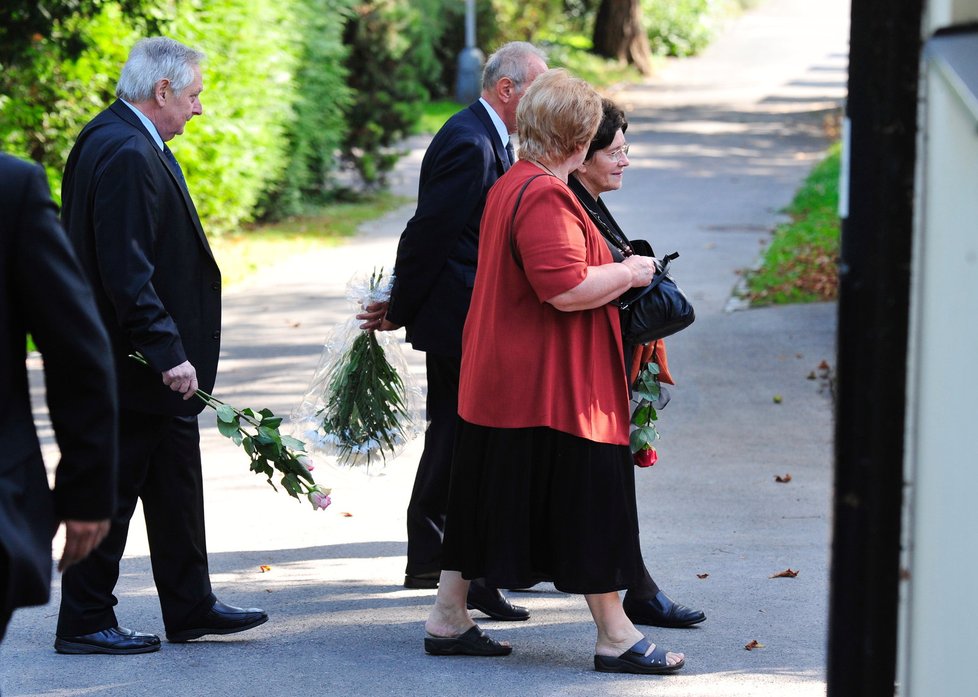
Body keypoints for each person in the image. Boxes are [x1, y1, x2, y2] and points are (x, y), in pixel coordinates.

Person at [422, 69, 686, 675]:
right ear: (578, 135)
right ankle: (615, 636)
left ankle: (448, 615)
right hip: (549, 387)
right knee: (588, 503)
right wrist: (631, 273)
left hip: (506, 383)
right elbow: (564, 288)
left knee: (484, 498)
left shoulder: (515, 182)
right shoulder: (544, 194)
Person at [55, 37, 266, 655]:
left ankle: (190, 604)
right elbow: (127, 271)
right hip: (132, 363)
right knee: (115, 491)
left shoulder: (124, 135)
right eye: (194, 96)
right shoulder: (124, 150)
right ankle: (86, 620)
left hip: (142, 361)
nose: (198, 109)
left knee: (175, 482)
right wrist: (168, 350)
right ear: (163, 90)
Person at [357, 41, 548, 622]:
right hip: (458, 318)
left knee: (456, 434)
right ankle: (459, 566)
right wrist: (398, 304)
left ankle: (440, 559)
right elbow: (429, 233)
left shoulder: (485, 134)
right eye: (534, 89)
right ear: (507, 88)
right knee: (465, 438)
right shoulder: (469, 141)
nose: (539, 101)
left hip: (461, 314)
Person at [568, 99, 706, 629]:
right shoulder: (565, 201)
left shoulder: (587, 198)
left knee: (608, 484)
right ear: (582, 154)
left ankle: (638, 590)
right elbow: (571, 283)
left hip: (602, 362)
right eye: (616, 151)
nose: (625, 161)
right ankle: (627, 607)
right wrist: (630, 272)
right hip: (581, 370)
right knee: (598, 486)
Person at [0, 152, 117, 644]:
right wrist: (86, 494)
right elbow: (77, 349)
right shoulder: (11, 186)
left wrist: (86, 490)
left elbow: (76, 351)